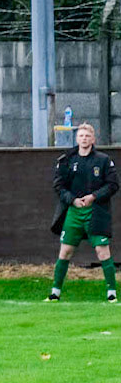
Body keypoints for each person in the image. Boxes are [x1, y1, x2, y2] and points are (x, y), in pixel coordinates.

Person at [47, 122, 117, 302]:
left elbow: (113, 185)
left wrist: (94, 196)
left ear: (93, 139)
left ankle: (111, 293)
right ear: (77, 138)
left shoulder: (103, 160)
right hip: (74, 211)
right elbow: (59, 185)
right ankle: (55, 292)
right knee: (65, 252)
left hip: (96, 211)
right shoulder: (67, 160)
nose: (84, 139)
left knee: (102, 251)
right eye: (81, 136)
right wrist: (72, 199)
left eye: (87, 136)